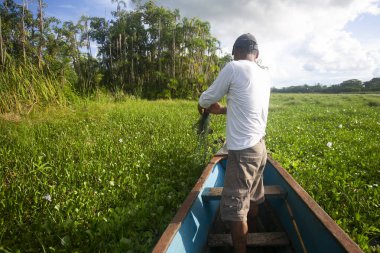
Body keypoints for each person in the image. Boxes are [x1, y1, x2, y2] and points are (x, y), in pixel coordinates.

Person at [198, 33, 271, 253]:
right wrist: (222, 111)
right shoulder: (265, 74)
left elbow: (206, 99)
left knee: (235, 209)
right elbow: (248, 108)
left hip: (242, 154)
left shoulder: (233, 67)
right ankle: (256, 232)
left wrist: (203, 104)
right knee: (254, 197)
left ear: (235, 52)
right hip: (260, 149)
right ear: (256, 54)